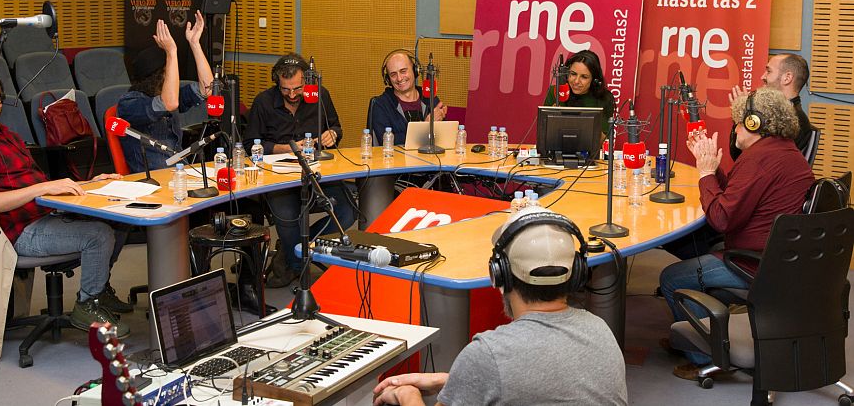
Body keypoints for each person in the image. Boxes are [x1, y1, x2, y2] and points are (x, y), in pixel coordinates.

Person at [372, 207, 627, 406]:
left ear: (499, 275)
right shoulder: (600, 330)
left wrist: (407, 395)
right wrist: (451, 382)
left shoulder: (488, 354)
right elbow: (539, 384)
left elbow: (509, 371)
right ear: (576, 274)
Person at [0, 69, 132, 336]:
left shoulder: (10, 137)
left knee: (120, 218)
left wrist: (92, 182)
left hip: (45, 215)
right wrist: (45, 186)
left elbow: (46, 188)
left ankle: (100, 289)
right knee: (98, 235)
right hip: (17, 233)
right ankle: (88, 304)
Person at [659, 87, 814, 380]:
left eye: (739, 122)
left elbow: (721, 218)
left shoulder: (759, 160)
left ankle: (704, 355)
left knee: (672, 277)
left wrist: (705, 174)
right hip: (778, 260)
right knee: (690, 248)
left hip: (753, 264)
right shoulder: (782, 151)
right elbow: (738, 196)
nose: (735, 129)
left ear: (755, 124)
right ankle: (693, 335)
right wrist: (715, 170)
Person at [242, 53, 355, 287]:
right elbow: (250, 143)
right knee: (287, 217)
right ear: (277, 82)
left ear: (308, 81)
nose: (292, 95)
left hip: (316, 172)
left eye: (297, 88)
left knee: (347, 212)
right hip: (278, 176)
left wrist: (332, 134)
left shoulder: (320, 95)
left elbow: (335, 126)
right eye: (286, 90)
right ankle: (297, 266)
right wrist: (286, 148)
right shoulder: (263, 102)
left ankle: (291, 250)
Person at [117, 12, 214, 172]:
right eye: (170, 73)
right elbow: (169, 103)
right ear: (159, 76)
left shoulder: (172, 94)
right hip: (153, 181)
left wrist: (195, 44)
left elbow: (208, 88)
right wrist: (171, 52)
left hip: (180, 173)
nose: (175, 78)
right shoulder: (129, 103)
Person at [728, 53, 814, 160]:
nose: (762, 77)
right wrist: (744, 115)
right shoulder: (775, 115)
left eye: (768, 71)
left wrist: (744, 115)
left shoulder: (792, 121)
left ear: (787, 78)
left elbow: (750, 159)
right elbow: (737, 155)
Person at [369, 50, 447, 145]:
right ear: (388, 79)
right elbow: (387, 141)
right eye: (393, 74)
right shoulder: (381, 105)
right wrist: (425, 127)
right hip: (396, 159)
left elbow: (443, 138)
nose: (399, 78)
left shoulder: (429, 98)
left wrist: (444, 124)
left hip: (429, 158)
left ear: (415, 71)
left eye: (403, 71)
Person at [543, 50, 615, 136]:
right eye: (573, 74)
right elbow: (543, 133)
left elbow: (603, 142)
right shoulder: (555, 92)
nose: (576, 81)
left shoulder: (605, 98)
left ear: (594, 80)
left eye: (584, 77)